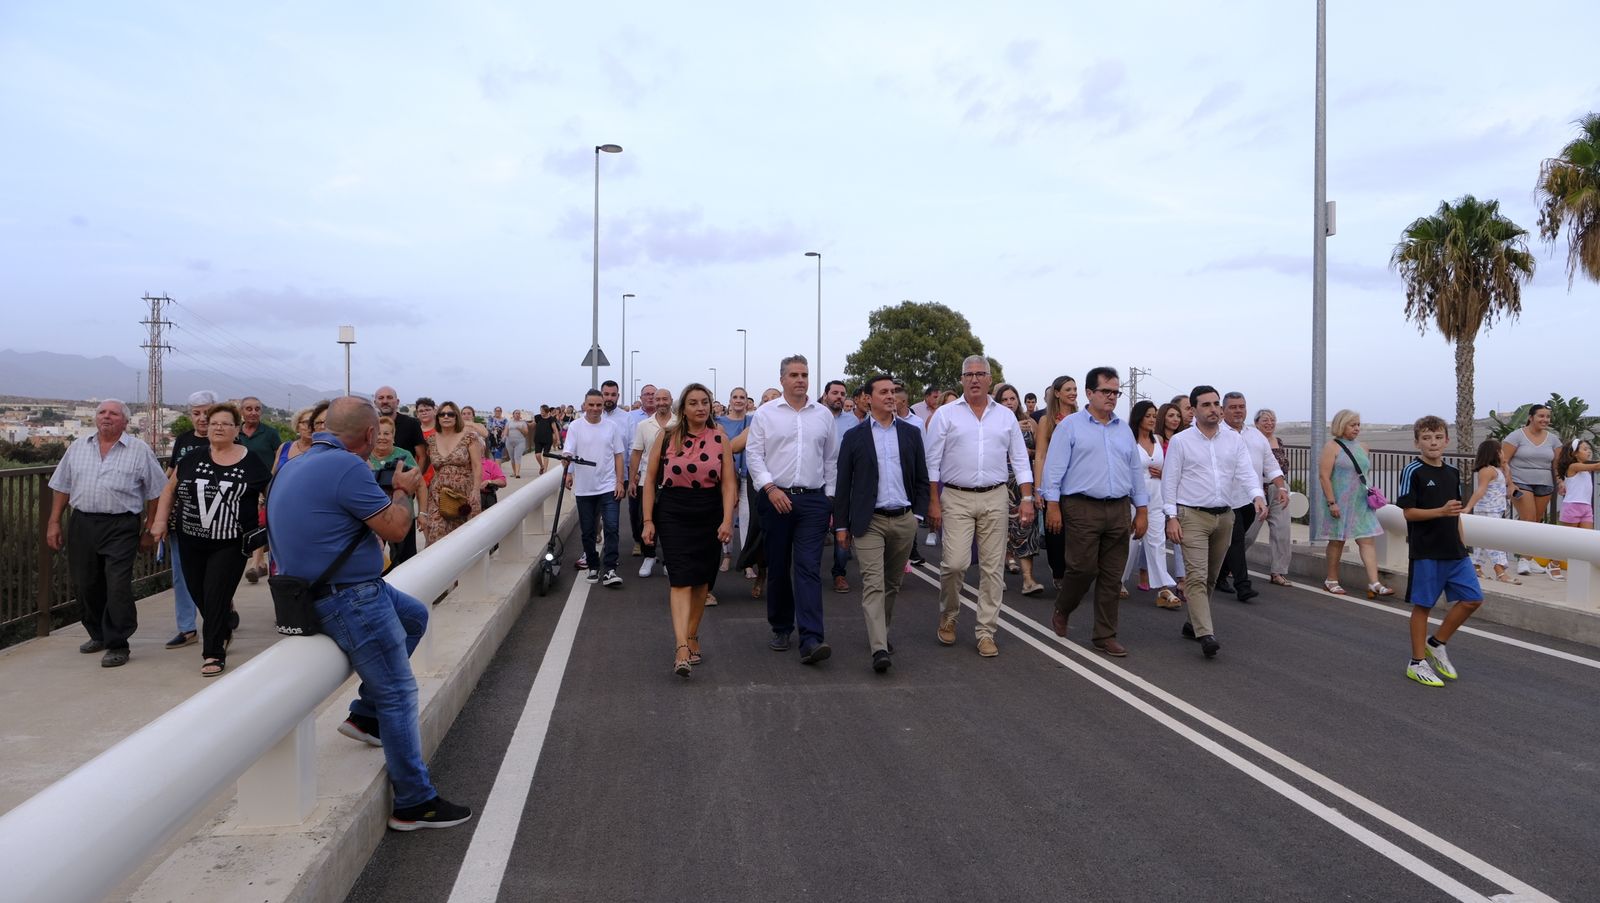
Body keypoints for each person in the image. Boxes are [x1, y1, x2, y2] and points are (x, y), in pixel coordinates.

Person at [267, 397, 471, 829]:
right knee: (398, 692)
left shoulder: (294, 463)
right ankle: (414, 802)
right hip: (350, 597)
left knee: (414, 617)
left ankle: (364, 716)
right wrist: (403, 488)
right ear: (365, 436)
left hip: (321, 592)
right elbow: (396, 529)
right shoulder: (346, 466)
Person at [150, 402, 270, 677]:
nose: (218, 427)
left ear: (236, 430)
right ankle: (223, 624)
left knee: (215, 594)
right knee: (199, 593)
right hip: (190, 539)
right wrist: (159, 521)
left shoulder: (251, 461)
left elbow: (272, 492)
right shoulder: (192, 458)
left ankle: (214, 651)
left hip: (230, 542)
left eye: (225, 423)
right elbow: (170, 490)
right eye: (213, 422)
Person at [45, 400, 168, 668]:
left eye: (113, 413)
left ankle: (117, 643)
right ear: (95, 418)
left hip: (121, 525)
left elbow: (156, 490)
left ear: (125, 421)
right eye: (102, 412)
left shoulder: (139, 450)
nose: (106, 417)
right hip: (83, 523)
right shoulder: (78, 447)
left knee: (117, 585)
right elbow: (62, 486)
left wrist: (149, 527)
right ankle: (98, 634)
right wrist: (53, 522)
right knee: (85, 583)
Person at [925, 355, 1034, 657]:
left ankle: (986, 631)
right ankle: (948, 615)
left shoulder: (1005, 416)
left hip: (995, 496)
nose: (974, 379)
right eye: (968, 374)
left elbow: (1021, 459)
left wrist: (1026, 498)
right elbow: (931, 462)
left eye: (980, 374)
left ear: (989, 379)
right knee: (955, 563)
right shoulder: (946, 415)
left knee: (992, 568)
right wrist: (933, 501)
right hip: (956, 496)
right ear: (961, 379)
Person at [1040, 367, 1148, 656]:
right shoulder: (1070, 426)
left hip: (1118, 508)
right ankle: (1063, 607)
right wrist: (1052, 505)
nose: (1112, 397)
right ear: (1090, 393)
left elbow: (1135, 470)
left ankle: (1104, 635)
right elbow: (1054, 469)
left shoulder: (1123, 429)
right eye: (1106, 392)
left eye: (1116, 392)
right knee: (1083, 568)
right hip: (1081, 506)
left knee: (1112, 576)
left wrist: (1142, 509)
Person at [833, 373, 930, 673]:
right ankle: (879, 649)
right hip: (869, 522)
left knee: (892, 585)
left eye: (894, 391)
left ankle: (881, 632)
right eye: (884, 392)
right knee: (873, 585)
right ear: (868, 398)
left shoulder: (911, 434)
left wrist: (916, 516)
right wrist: (841, 526)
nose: (891, 396)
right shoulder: (854, 437)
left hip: (903, 520)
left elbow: (922, 480)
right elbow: (843, 484)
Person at [745, 355, 838, 664]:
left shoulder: (823, 415)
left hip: (813, 501)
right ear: (782, 378)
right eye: (794, 375)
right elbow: (754, 455)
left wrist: (829, 498)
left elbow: (831, 460)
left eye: (805, 374)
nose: (800, 379)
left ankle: (812, 638)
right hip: (776, 498)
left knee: (809, 568)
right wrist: (770, 488)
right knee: (778, 566)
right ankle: (782, 626)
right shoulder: (766, 414)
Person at [1161, 386, 1264, 659]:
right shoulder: (1182, 441)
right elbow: (1169, 481)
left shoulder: (1233, 440)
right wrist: (1171, 517)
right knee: (1196, 576)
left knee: (1210, 576)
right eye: (1206, 404)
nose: (1214, 409)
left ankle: (1191, 622)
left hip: (1224, 516)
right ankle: (1206, 633)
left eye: (1216, 403)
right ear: (1194, 410)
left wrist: (1257, 495)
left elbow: (1246, 472)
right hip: (1191, 515)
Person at [641, 384, 735, 677]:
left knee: (702, 580)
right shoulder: (667, 436)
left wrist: (727, 519)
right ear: (683, 409)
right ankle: (681, 646)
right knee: (681, 577)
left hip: (709, 510)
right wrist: (648, 520)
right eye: (693, 403)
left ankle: (693, 634)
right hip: (673, 510)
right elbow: (650, 480)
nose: (700, 408)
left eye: (704, 402)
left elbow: (729, 483)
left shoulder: (720, 437)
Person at [1397, 415, 1484, 687]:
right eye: (1426, 438)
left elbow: (1456, 514)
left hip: (1455, 551)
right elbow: (1408, 513)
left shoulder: (1453, 472)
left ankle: (1437, 643)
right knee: (1424, 605)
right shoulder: (1413, 471)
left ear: (1446, 440)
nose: (1432, 443)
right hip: (1426, 551)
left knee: (1473, 599)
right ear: (1417, 442)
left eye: (1437, 437)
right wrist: (1440, 511)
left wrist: (1463, 545)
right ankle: (1417, 662)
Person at [1215, 392, 1287, 603]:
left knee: (1237, 540)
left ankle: (1219, 576)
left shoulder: (1256, 436)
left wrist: (1281, 488)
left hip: (1251, 500)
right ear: (1224, 410)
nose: (1238, 410)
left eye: (1241, 406)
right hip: (1226, 500)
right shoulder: (1217, 434)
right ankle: (1243, 586)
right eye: (1233, 407)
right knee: (1236, 540)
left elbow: (1271, 465)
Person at [162, 390, 217, 649]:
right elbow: (171, 476)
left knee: (215, 575)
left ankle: (219, 622)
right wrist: (161, 516)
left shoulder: (227, 439)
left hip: (217, 519)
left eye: (207, 412)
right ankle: (187, 628)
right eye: (197, 413)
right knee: (181, 574)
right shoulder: (183, 440)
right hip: (183, 517)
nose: (202, 418)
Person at [1316, 409, 1391, 598]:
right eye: (1353, 424)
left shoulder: (1363, 447)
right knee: (1337, 541)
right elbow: (1324, 476)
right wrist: (1331, 502)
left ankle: (1374, 582)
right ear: (1342, 425)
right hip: (1339, 502)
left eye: (1358, 424)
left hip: (1361, 502)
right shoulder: (1331, 447)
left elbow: (1363, 474)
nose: (1357, 428)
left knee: (1367, 540)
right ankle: (1331, 580)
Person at [1123, 400, 1181, 609]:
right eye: (1148, 415)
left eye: (1154, 415)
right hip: (1134, 501)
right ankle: (1118, 581)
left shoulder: (1157, 439)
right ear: (1139, 417)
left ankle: (1163, 589)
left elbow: (1169, 469)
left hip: (1157, 499)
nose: (1152, 419)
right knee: (1130, 544)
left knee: (1157, 545)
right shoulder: (1128, 440)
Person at [565, 390, 626, 586]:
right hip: (584, 488)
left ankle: (610, 569)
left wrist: (619, 481)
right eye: (591, 405)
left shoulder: (612, 427)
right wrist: (567, 470)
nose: (595, 409)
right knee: (588, 531)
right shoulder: (575, 427)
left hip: (608, 486)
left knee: (611, 528)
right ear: (584, 405)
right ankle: (592, 566)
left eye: (598, 405)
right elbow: (569, 451)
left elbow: (618, 455)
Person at [994, 383, 1044, 594]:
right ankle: (995, 577)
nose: (1009, 402)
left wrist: (1026, 449)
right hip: (998, 484)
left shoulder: (1030, 422)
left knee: (1026, 528)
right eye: (1004, 399)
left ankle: (1028, 580)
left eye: (1012, 398)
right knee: (998, 531)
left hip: (1022, 482)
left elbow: (1039, 452)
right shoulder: (992, 423)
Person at [1032, 374, 1079, 586]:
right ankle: (1059, 573)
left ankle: (1074, 573)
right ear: (1057, 393)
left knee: (1078, 533)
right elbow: (1040, 455)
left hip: (1077, 485)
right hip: (1053, 485)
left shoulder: (1082, 419)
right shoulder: (1046, 421)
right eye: (1068, 389)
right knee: (1055, 533)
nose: (1073, 393)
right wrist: (1038, 488)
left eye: (1075, 389)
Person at [419, 402, 483, 546]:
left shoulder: (469, 437)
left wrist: (476, 490)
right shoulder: (431, 440)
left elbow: (477, 465)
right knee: (436, 532)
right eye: (442, 414)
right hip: (438, 494)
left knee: (466, 537)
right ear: (438, 417)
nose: (446, 417)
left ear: (456, 417)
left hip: (465, 493)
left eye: (450, 414)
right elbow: (427, 464)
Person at [1242, 408, 1294, 586]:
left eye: (1272, 420)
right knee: (1249, 533)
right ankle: (1230, 564)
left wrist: (1283, 488)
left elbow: (1280, 468)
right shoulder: (1251, 441)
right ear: (1256, 423)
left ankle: (1278, 572)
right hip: (1258, 490)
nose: (1269, 424)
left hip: (1278, 489)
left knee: (1282, 531)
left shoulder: (1278, 441)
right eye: (1265, 420)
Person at [1503, 405, 1559, 570]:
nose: (1545, 420)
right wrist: (1510, 484)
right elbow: (1503, 461)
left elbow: (1557, 466)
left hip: (1544, 483)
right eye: (1541, 416)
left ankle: (1528, 558)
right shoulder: (1515, 436)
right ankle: (1523, 560)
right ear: (1530, 417)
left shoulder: (1554, 440)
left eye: (1548, 417)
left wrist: (1561, 482)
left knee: (1536, 521)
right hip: (1520, 481)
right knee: (1528, 519)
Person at [369, 416, 424, 569]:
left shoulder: (404, 456)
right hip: (372, 516)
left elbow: (421, 485)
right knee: (373, 557)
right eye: (378, 433)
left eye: (387, 434)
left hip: (402, 514)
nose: (382, 437)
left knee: (405, 560)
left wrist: (423, 514)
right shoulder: (363, 455)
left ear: (393, 436)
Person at [630, 388, 674, 577]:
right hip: (647, 480)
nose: (661, 402)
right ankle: (649, 557)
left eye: (665, 399)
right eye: (658, 399)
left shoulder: (680, 422)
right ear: (653, 402)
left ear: (671, 400)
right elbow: (637, 453)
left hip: (672, 481)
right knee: (646, 520)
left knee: (670, 522)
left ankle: (668, 560)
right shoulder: (643, 425)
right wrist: (632, 479)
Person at [235, 396, 279, 583]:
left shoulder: (270, 433)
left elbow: (279, 458)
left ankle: (255, 563)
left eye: (257, 409)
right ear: (241, 412)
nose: (253, 412)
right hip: (240, 484)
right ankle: (259, 562)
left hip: (265, 483)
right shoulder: (236, 434)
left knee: (261, 519)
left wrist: (266, 484)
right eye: (249, 409)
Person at [1464, 438, 1518, 584]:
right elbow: (1480, 491)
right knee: (1495, 541)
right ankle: (1500, 572)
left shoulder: (1497, 470)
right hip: (1487, 510)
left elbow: (1505, 484)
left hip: (1496, 509)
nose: (1503, 453)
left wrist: (1506, 469)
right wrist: (1468, 507)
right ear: (1494, 453)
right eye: (1500, 451)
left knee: (1482, 542)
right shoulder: (1487, 470)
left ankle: (1476, 567)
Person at [716, 387, 755, 576]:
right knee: (727, 517)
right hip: (726, 476)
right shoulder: (719, 422)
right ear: (730, 400)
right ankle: (727, 555)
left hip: (747, 475)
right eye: (735, 397)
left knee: (746, 518)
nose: (738, 400)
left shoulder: (753, 421)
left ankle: (747, 560)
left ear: (747, 401)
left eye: (742, 397)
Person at [820, 379, 854, 594]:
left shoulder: (853, 422)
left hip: (844, 484)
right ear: (825, 395)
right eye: (835, 393)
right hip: (817, 484)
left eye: (842, 394)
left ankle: (839, 574)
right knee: (813, 532)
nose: (839, 397)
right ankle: (809, 573)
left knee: (843, 530)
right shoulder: (814, 417)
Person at [624, 385, 660, 559]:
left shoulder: (668, 419)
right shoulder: (631, 417)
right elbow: (632, 447)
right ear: (641, 397)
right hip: (636, 470)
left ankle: (653, 545)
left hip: (659, 473)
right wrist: (632, 473)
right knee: (635, 509)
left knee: (658, 509)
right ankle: (638, 540)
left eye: (654, 394)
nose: (651, 397)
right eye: (647, 394)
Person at [1555, 438, 1599, 535]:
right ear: (1575, 453)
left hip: (1586, 507)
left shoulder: (1584, 469)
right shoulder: (1573, 467)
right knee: (1570, 541)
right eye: (1585, 449)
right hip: (1572, 506)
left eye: (1588, 449)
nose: (1589, 451)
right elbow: (1596, 466)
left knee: (1586, 538)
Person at [275, 407, 316, 473]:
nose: (310, 427)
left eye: (314, 423)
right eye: (306, 422)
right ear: (297, 425)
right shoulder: (284, 447)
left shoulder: (321, 451)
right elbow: (273, 474)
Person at [504, 409, 529, 479]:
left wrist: (520, 429)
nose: (517, 415)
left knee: (517, 457)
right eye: (516, 413)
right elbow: (506, 431)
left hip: (520, 442)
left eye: (519, 413)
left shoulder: (523, 423)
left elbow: (526, 433)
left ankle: (517, 473)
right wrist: (504, 437)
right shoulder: (509, 422)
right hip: (509, 442)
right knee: (512, 458)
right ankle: (514, 472)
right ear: (513, 415)